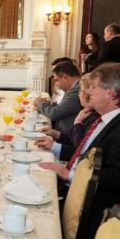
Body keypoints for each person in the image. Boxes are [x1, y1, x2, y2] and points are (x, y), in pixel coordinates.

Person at [39, 63, 120, 238]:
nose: (88, 92)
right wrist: (54, 147)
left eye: (93, 87)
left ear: (111, 92)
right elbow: (81, 153)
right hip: (68, 191)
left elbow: (115, 178)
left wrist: (70, 174)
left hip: (87, 214)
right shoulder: (99, 118)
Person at [35, 74, 99, 162]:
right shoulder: (88, 113)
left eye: (81, 91)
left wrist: (77, 122)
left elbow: (81, 152)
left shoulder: (94, 117)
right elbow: (73, 141)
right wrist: (56, 134)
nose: (79, 95)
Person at [35, 61, 82, 133]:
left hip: (66, 136)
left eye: (57, 80)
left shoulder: (76, 90)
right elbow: (63, 107)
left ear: (65, 77)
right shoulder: (75, 86)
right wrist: (48, 103)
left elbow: (54, 114)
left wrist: (39, 104)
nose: (57, 84)